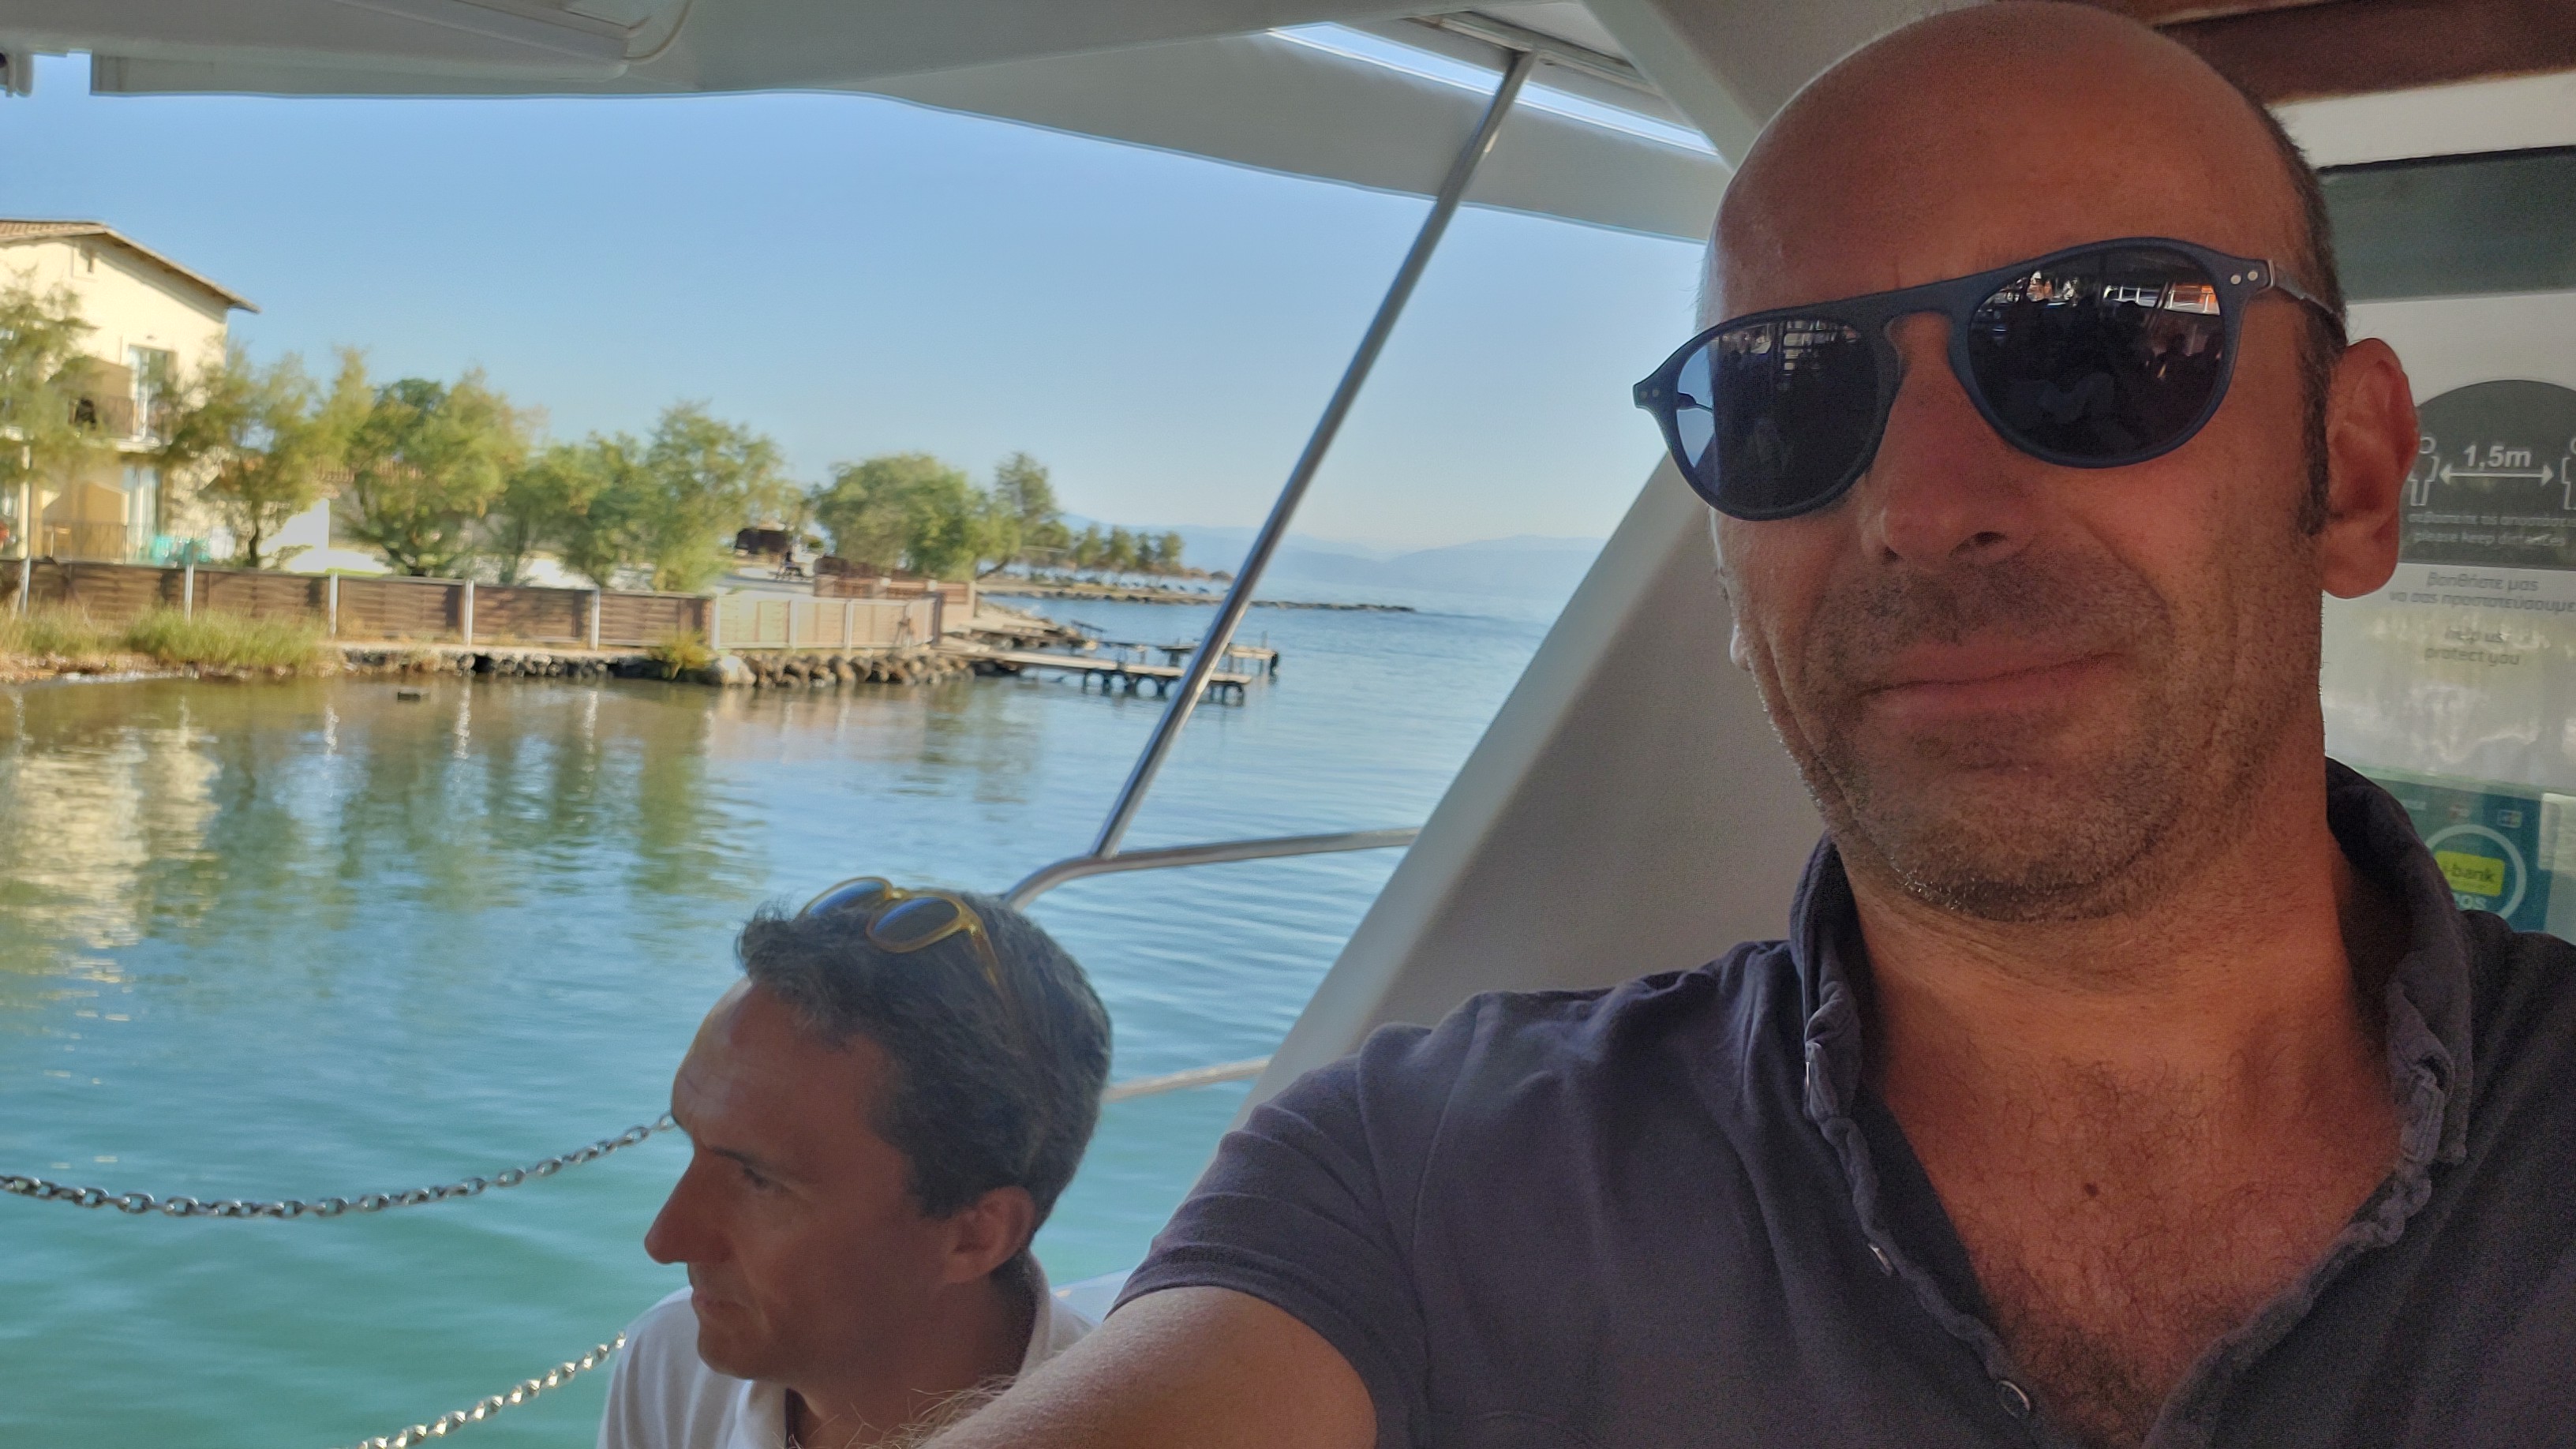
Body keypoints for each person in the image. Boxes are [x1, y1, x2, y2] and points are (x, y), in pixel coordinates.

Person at [926, 7, 2576, 1448]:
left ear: (2351, 474)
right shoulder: (1421, 1188)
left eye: (2091, 351)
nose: (1917, 509)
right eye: (1784, 396)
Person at [600, 880, 1112, 1449]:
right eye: (692, 1145)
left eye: (759, 1181)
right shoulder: (670, 1364)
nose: (665, 1240)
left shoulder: (1136, 1426)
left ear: (974, 1236)